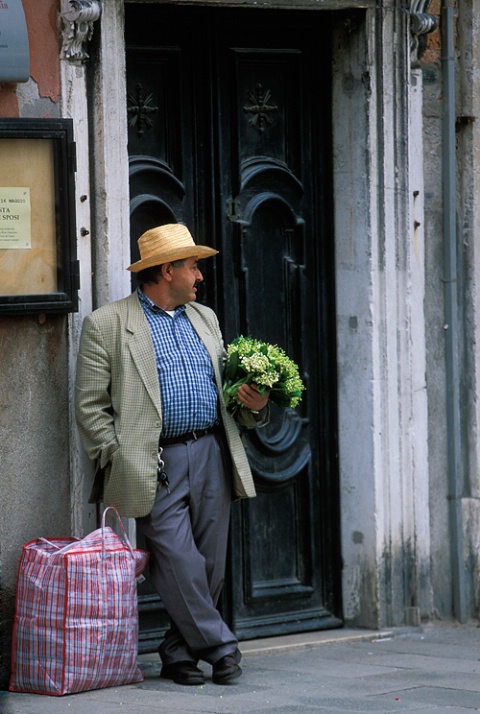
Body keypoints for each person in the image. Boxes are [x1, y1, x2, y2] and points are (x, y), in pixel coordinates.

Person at [75, 223, 269, 686]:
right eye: (192, 266)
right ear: (167, 271)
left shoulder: (205, 318)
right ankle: (221, 648)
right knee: (178, 560)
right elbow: (89, 407)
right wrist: (118, 456)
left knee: (209, 563)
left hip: (211, 452)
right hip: (152, 463)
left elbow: (227, 396)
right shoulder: (107, 324)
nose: (199, 276)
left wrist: (253, 405)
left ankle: (177, 652)